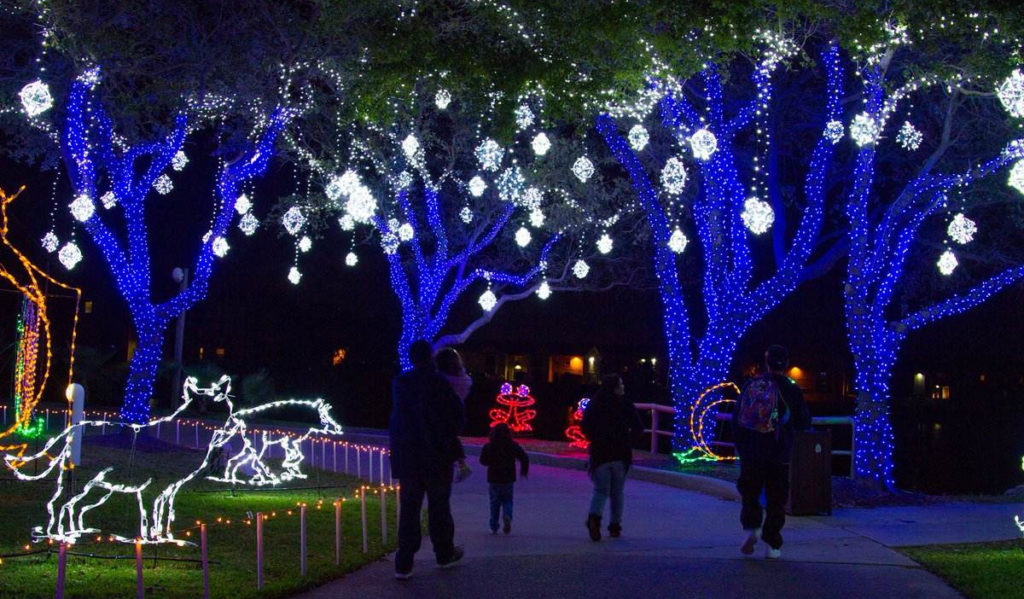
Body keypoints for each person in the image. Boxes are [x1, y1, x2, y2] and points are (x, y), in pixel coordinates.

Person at [389, 340, 466, 579]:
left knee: (409, 510)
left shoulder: (401, 384)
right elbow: (456, 418)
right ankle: (443, 553)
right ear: (430, 357)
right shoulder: (440, 383)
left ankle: (404, 562)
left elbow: (397, 420)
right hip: (437, 456)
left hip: (408, 457)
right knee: (439, 508)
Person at [732, 344, 811, 559]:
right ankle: (773, 543)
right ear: (785, 364)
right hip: (778, 454)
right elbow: (804, 422)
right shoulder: (791, 389)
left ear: (766, 362)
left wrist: (741, 445)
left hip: (751, 451)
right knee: (776, 499)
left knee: (750, 493)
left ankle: (752, 528)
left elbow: (737, 418)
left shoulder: (752, 384)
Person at [580, 373, 643, 541]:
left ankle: (594, 517)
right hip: (620, 454)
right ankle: (615, 526)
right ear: (615, 387)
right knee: (617, 493)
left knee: (600, 491)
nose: (623, 387)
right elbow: (638, 427)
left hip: (600, 454)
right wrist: (628, 439)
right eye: (621, 384)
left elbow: (585, 427)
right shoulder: (625, 404)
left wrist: (596, 438)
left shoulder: (595, 404)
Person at [479, 422, 529, 534]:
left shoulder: (489, 446)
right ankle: (507, 516)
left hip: (494, 478)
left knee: (494, 503)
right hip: (508, 478)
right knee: (507, 500)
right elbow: (523, 456)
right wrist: (523, 470)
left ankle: (494, 525)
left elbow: (482, 461)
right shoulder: (513, 445)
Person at [436, 347, 473, 482]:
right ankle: (461, 465)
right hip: (459, 412)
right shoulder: (464, 379)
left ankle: (460, 465)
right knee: (452, 437)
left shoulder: (441, 380)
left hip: (444, 412)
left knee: (446, 438)